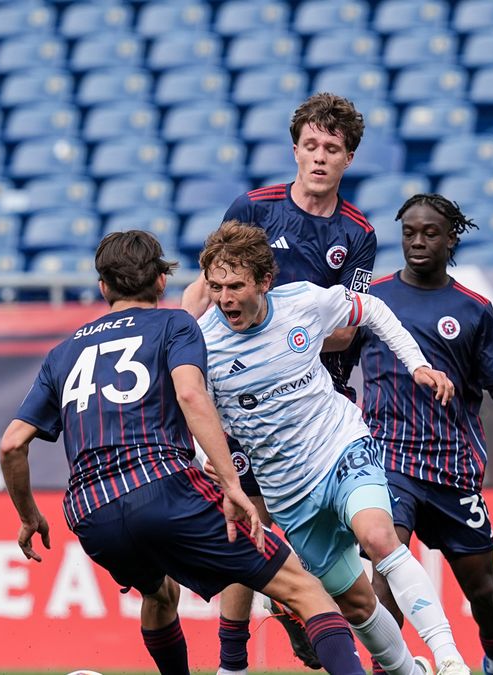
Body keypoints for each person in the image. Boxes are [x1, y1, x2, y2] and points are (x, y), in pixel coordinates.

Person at [0, 230, 367, 675]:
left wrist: (27, 515)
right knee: (306, 592)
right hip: (161, 487)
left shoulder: (62, 353)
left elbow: (12, 442)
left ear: (103, 288)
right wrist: (231, 484)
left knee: (159, 595)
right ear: (160, 282)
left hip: (89, 511)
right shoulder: (176, 325)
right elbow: (192, 396)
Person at [197, 221, 472, 675]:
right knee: (357, 604)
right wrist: (207, 458)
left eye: (236, 286)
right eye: (216, 287)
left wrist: (419, 365)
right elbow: (194, 407)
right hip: (288, 491)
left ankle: (450, 659)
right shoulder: (204, 343)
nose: (225, 298)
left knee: (379, 537)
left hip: (339, 447)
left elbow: (374, 310)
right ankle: (411, 672)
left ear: (265, 282)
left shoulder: (303, 301)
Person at [181, 92, 377, 673]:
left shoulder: (357, 234)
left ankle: (302, 608)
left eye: (332, 149)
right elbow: (205, 288)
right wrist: (174, 343)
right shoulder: (255, 207)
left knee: (339, 525)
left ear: (348, 158)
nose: (319, 157)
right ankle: (233, 661)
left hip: (317, 400)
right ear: (295, 149)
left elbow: (349, 329)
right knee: (249, 514)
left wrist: (287, 338)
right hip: (243, 396)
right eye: (311, 146)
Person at [353, 194, 493, 675]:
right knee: (387, 562)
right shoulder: (372, 299)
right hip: (387, 458)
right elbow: (336, 358)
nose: (417, 242)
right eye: (409, 233)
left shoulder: (474, 309)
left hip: (451, 466)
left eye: (430, 233)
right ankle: (391, 669)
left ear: (451, 239)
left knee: (483, 590)